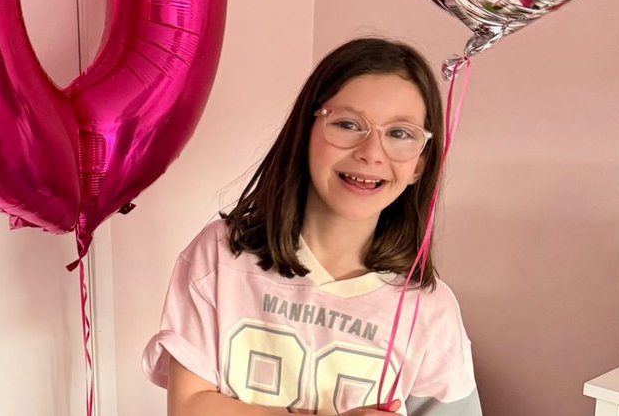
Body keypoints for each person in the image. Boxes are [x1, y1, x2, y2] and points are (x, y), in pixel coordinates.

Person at [142, 38, 482, 415]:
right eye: (348, 124)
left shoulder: (432, 311)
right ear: (307, 130)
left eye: (400, 133)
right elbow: (189, 407)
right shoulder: (220, 256)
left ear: (419, 163)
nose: (371, 153)